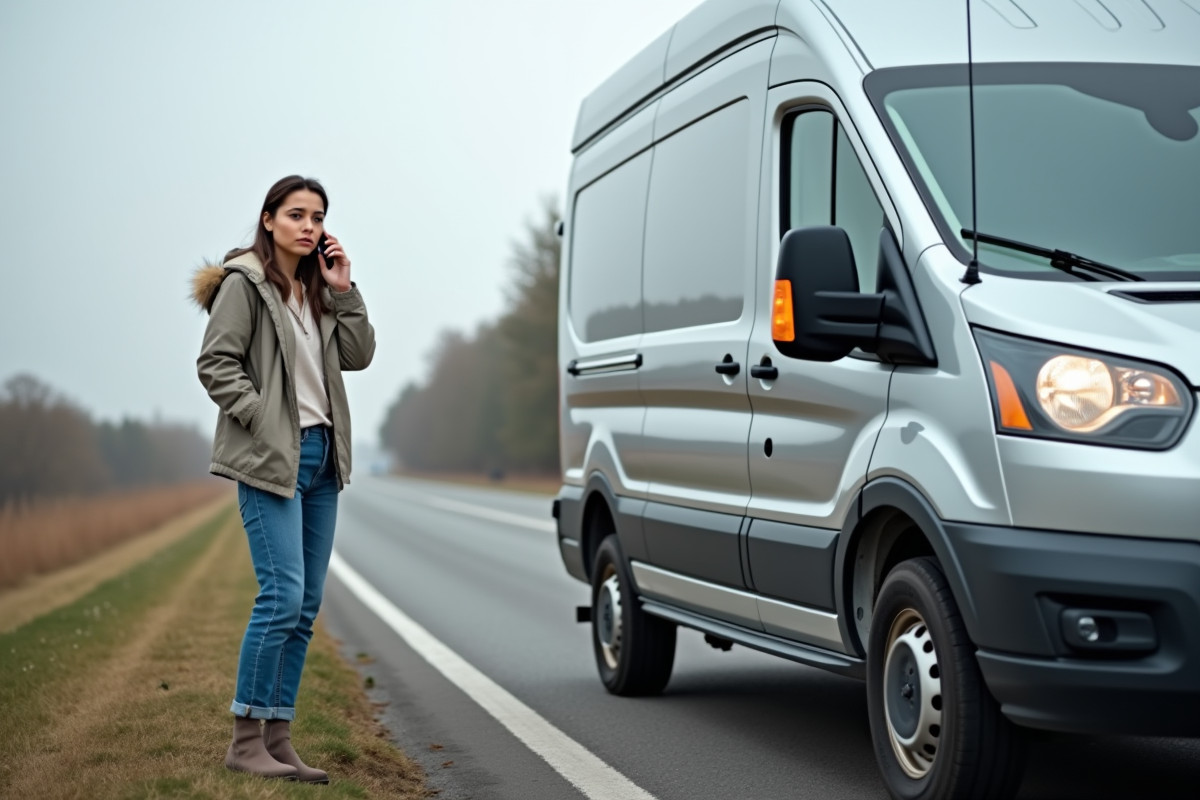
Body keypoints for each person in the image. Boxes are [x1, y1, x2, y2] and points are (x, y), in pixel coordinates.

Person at [192, 175, 375, 782]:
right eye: (296, 214)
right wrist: (263, 420)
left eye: (317, 217)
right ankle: (245, 740)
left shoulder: (318, 289)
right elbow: (215, 363)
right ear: (268, 219)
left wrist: (344, 290)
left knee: (306, 605)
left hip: (322, 459)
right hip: (273, 457)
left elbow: (358, 355)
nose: (309, 226)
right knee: (282, 596)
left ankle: (279, 738)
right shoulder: (244, 285)